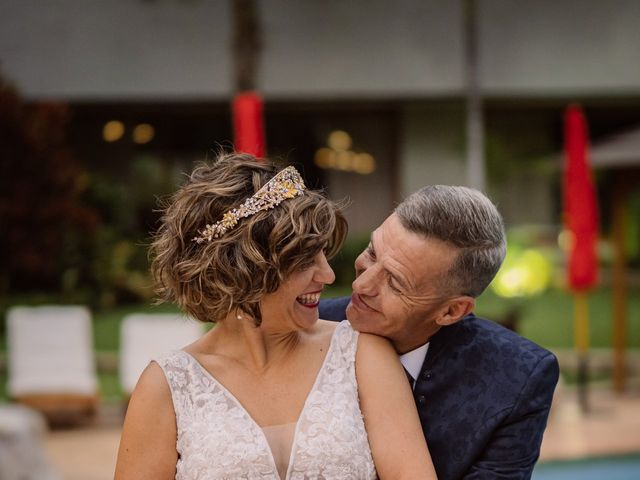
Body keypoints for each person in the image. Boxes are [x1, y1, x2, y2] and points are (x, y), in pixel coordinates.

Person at [114, 153, 437, 480]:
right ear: (243, 270)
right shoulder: (167, 386)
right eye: (304, 260)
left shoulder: (361, 354)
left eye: (323, 253)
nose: (326, 275)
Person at [320, 185, 560, 480]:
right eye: (372, 253)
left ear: (452, 311)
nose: (361, 285)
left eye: (395, 282)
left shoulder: (518, 377)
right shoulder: (305, 326)